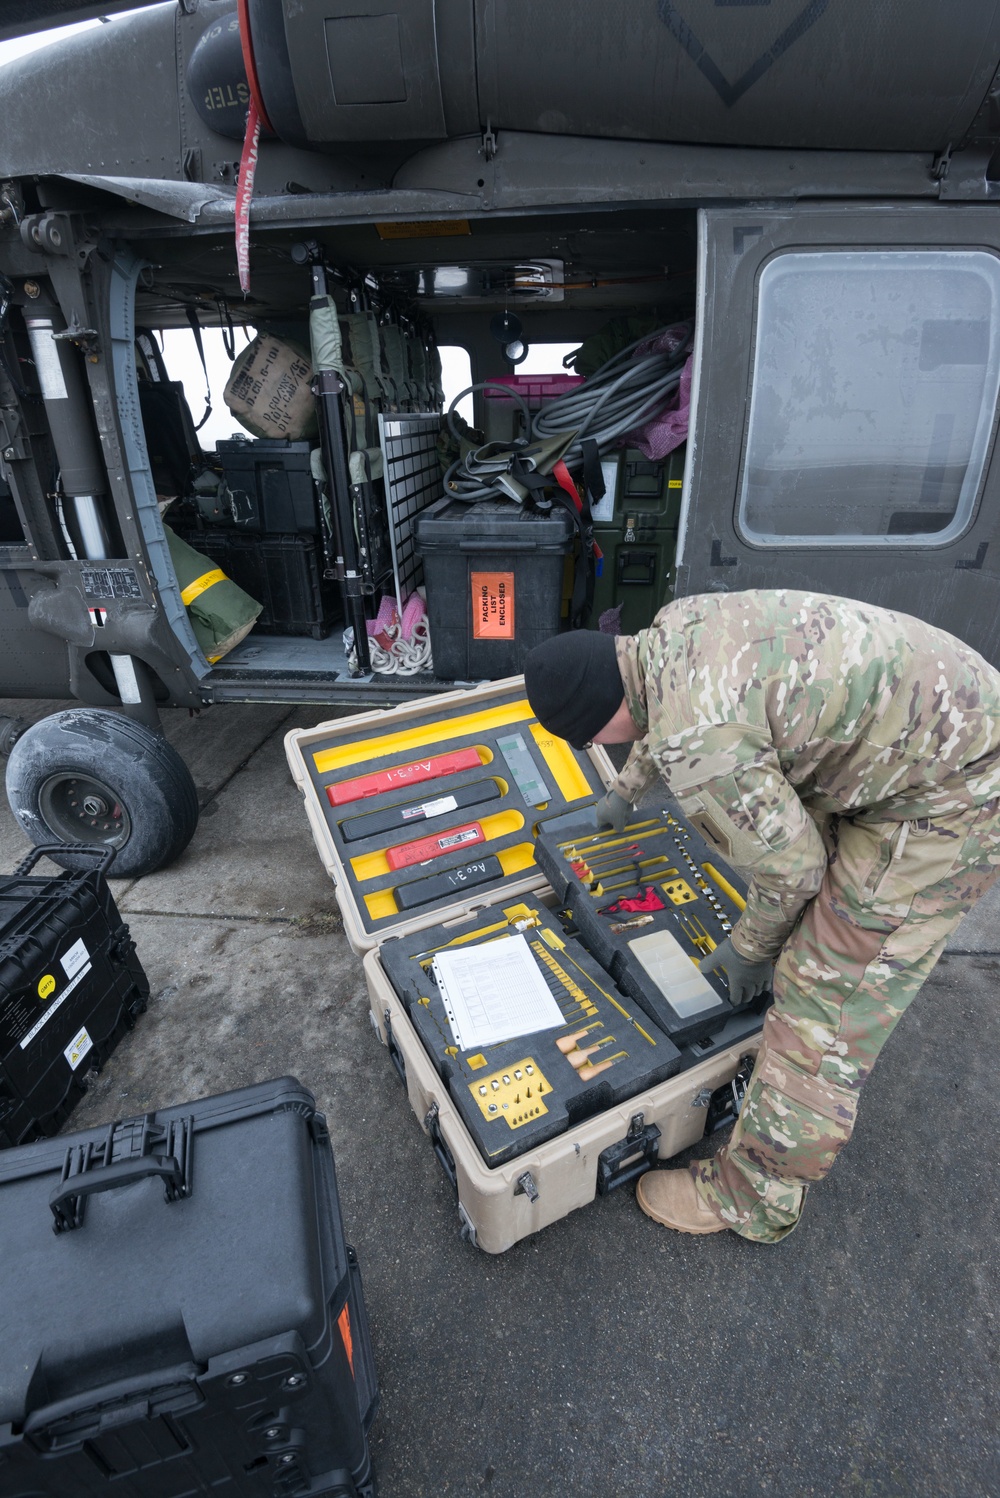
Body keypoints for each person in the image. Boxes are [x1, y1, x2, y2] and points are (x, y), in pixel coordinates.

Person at [523, 590, 1000, 1244]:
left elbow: (793, 870)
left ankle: (756, 1198)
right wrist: (622, 793)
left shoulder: (698, 742)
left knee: (825, 992)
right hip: (932, 729)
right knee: (812, 915)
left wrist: (749, 949)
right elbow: (657, 708)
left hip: (956, 795)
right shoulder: (668, 632)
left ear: (600, 723)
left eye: (591, 743)